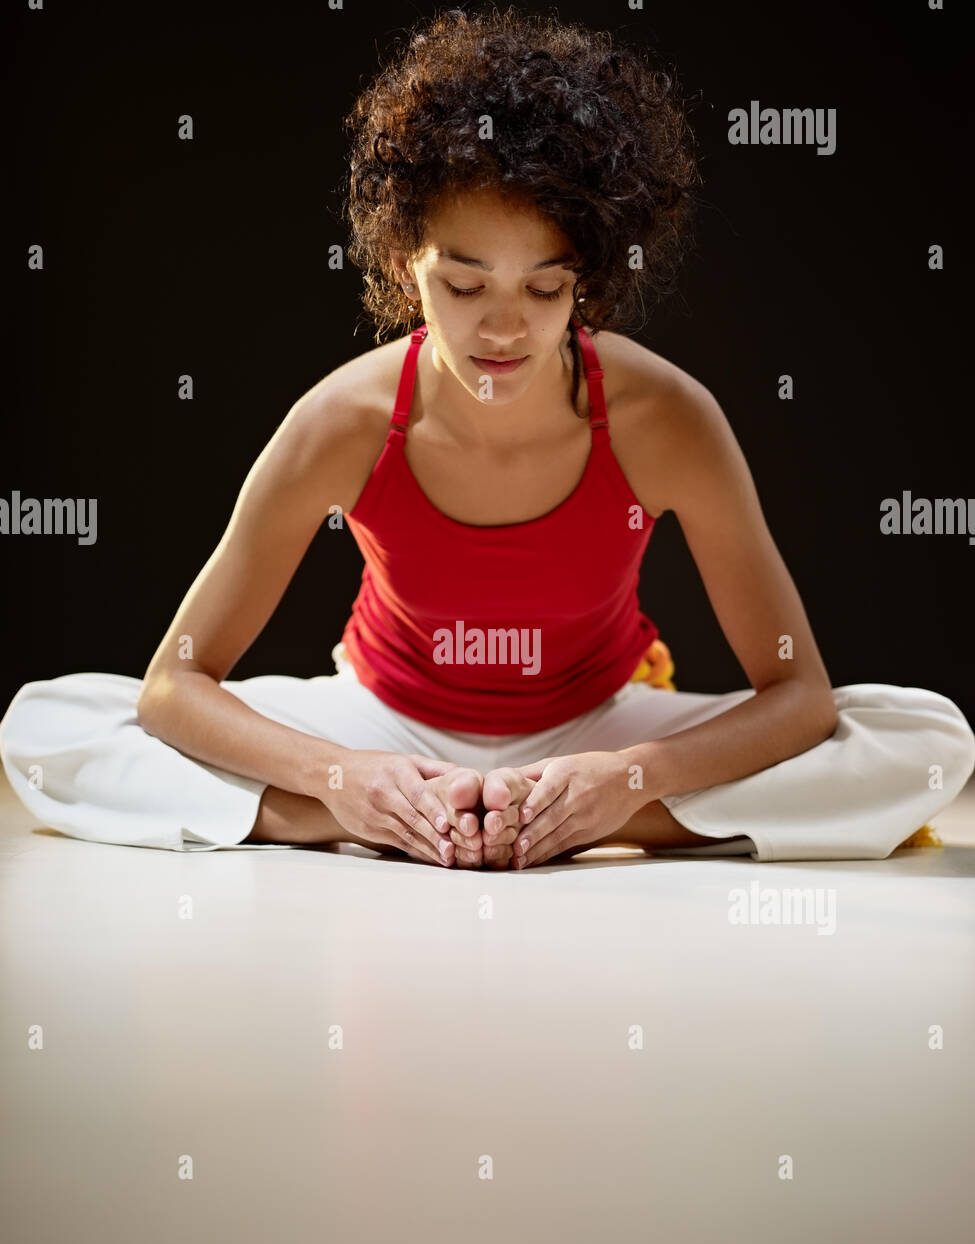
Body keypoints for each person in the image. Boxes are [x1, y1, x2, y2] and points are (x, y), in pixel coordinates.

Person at [1, 7, 972, 869]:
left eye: (544, 289)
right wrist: (343, 779)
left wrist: (623, 781)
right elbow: (174, 684)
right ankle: (332, 817)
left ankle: (575, 820)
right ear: (403, 262)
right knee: (51, 726)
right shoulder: (343, 421)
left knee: (926, 741)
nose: (502, 329)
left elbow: (800, 695)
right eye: (464, 286)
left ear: (589, 275)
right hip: (383, 725)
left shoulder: (665, 417)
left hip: (597, 728)